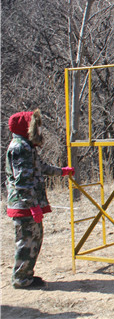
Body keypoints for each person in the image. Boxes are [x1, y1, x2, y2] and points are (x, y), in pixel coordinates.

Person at [5, 109, 74, 288]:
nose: (39, 130)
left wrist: (61, 172)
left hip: (28, 203)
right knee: (26, 241)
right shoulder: (20, 148)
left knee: (34, 239)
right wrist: (32, 205)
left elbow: (39, 167)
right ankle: (21, 279)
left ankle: (26, 275)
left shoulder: (27, 146)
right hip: (23, 204)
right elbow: (22, 181)